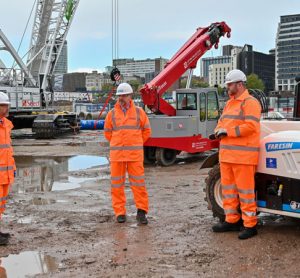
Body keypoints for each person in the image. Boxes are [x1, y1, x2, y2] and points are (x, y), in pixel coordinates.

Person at [212, 70, 261, 240]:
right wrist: (218, 130)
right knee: (229, 191)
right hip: (227, 156)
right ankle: (232, 220)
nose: (227, 87)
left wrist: (228, 131)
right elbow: (221, 122)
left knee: (245, 192)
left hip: (243, 158)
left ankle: (250, 224)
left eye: (230, 84)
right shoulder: (229, 103)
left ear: (240, 84)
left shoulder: (250, 102)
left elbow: (251, 127)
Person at [104, 83, 151, 224]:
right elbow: (107, 133)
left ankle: (141, 212)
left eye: (124, 95)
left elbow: (147, 131)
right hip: (117, 156)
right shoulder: (111, 114)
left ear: (130, 96)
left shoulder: (139, 112)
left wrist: (135, 143)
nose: (122, 98)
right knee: (117, 185)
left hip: (134, 156)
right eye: (120, 96)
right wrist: (118, 143)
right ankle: (120, 212)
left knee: (139, 184)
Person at [0, 92, 16, 245]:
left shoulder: (5, 125)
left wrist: (13, 168)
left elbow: (8, 150)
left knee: (1, 204)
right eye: (3, 106)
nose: (6, 109)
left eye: (6, 106)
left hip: (5, 174)